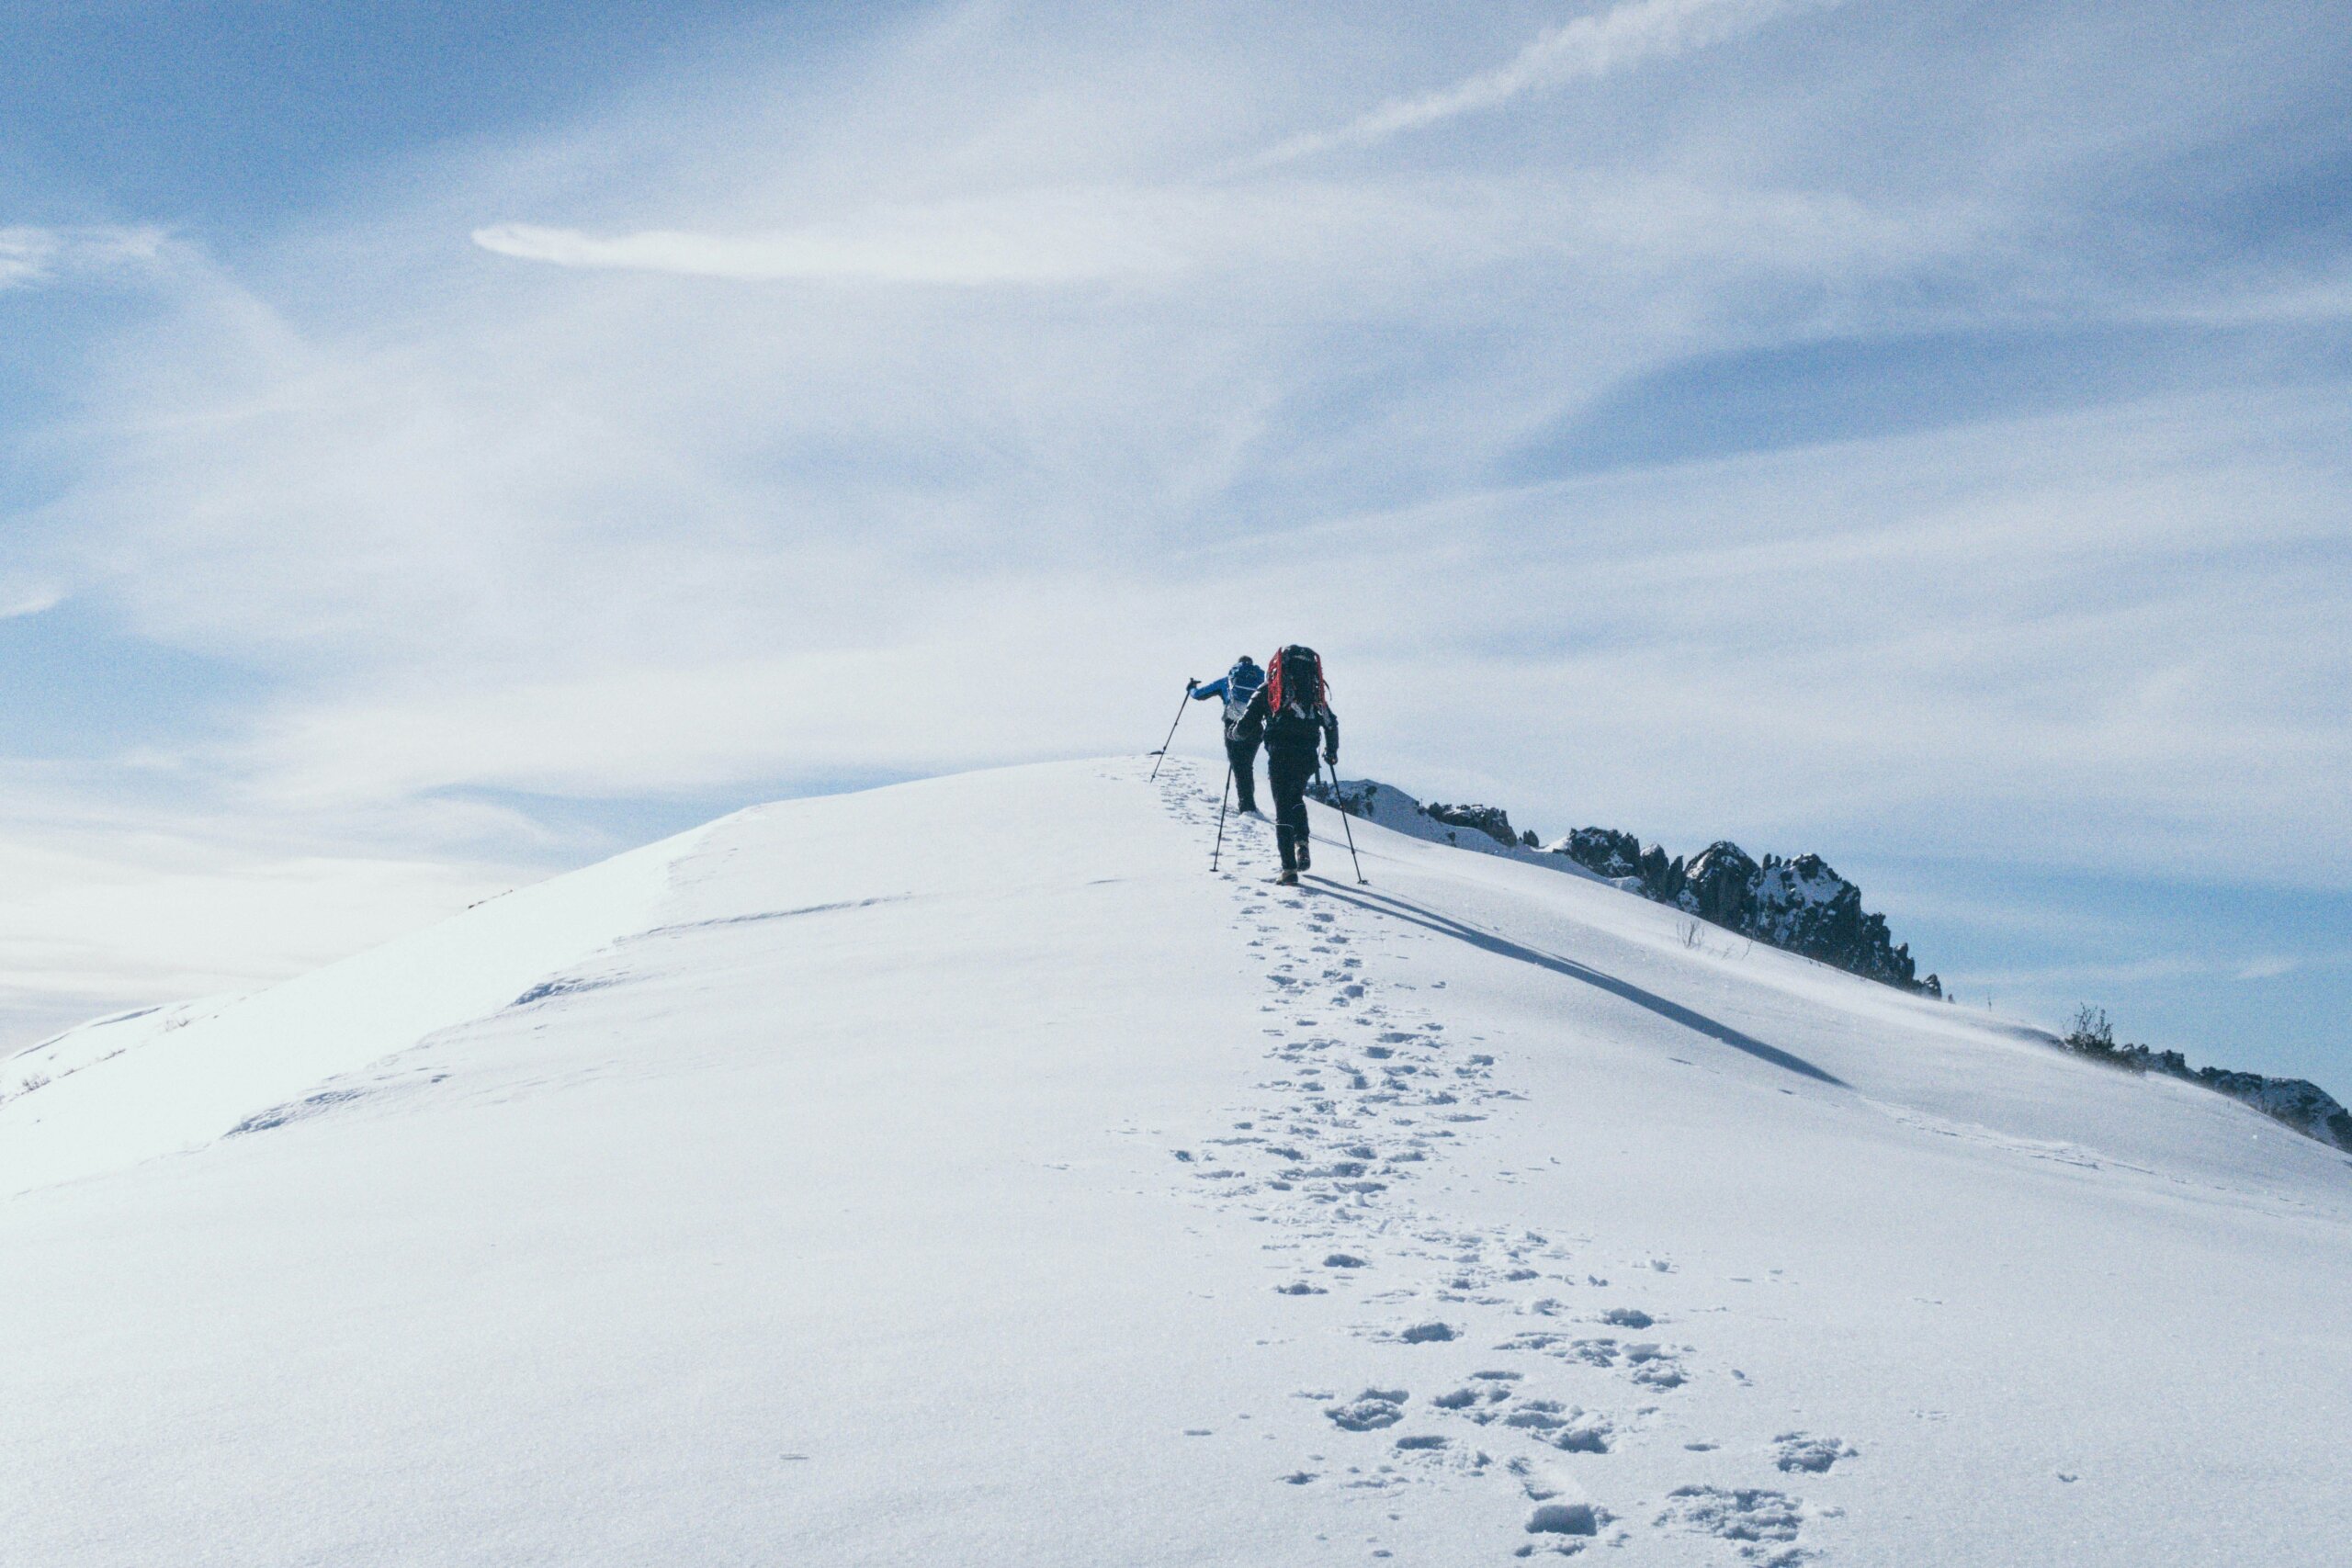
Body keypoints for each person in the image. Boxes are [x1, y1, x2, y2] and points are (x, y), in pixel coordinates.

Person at [1238, 645, 1339, 885]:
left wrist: (1235, 734)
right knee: (1296, 798)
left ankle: (1288, 870)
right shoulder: (1314, 694)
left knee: (1282, 806)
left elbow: (1246, 723)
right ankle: (1302, 842)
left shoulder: (1271, 689)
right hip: (1307, 757)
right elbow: (1331, 723)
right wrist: (1331, 751)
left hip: (1280, 753)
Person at [1187, 654, 1268, 815]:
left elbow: (1199, 695)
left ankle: (1247, 807)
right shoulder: (1261, 682)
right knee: (1246, 765)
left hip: (1233, 726)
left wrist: (1191, 688)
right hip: (1256, 727)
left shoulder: (1228, 681)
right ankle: (1248, 803)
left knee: (1239, 766)